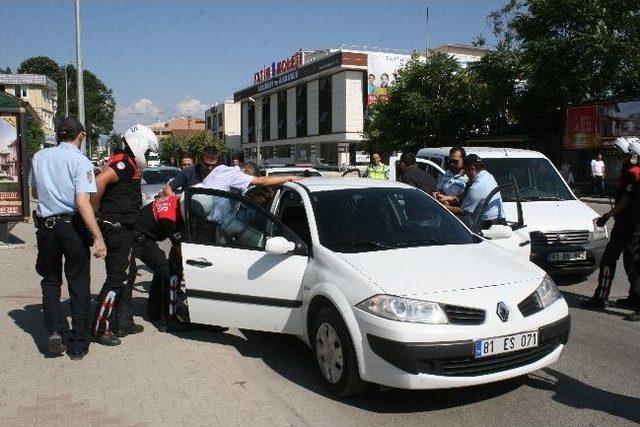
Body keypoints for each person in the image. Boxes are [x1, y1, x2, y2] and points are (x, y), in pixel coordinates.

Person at [29, 117, 106, 360]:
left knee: (50, 280)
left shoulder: (39, 157)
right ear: (81, 135)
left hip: (46, 227)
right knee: (78, 283)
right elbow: (82, 203)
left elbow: (34, 192)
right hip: (71, 227)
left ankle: (55, 331)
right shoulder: (80, 161)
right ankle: (78, 344)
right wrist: (98, 237)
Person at [91, 124, 158, 346]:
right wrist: (95, 215)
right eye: (148, 151)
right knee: (116, 279)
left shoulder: (127, 163)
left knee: (128, 275)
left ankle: (123, 322)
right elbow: (99, 182)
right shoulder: (122, 164)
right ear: (139, 146)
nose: (148, 156)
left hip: (124, 228)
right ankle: (100, 328)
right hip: (117, 228)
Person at [583, 137, 640, 310]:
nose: (617, 157)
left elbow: (625, 201)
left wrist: (607, 215)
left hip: (629, 224)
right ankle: (634, 298)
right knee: (631, 262)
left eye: (619, 154)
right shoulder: (629, 170)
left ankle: (602, 298)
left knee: (612, 259)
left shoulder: (633, 172)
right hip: (629, 223)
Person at [128, 194, 183, 328]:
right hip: (140, 238)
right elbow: (179, 248)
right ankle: (166, 320)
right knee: (167, 272)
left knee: (160, 270)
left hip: (139, 233)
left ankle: (154, 311)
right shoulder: (171, 217)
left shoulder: (176, 199)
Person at [447, 154, 504, 228]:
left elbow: (462, 211)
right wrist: (447, 198)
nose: (465, 174)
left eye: (466, 170)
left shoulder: (477, 186)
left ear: (472, 168)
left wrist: (440, 206)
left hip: (487, 226)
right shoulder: (487, 175)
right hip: (499, 221)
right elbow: (468, 195)